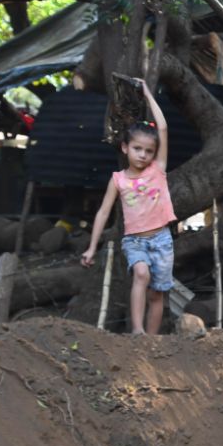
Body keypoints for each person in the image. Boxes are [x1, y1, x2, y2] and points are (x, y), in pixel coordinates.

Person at [81, 79, 176, 335]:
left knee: (157, 294)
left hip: (162, 240)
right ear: (125, 148)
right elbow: (103, 212)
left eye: (148, 150)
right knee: (141, 274)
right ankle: (137, 331)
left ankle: (151, 342)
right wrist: (92, 247)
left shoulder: (158, 170)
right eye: (137, 149)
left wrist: (147, 95)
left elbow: (163, 128)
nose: (143, 155)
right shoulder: (118, 180)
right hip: (134, 241)